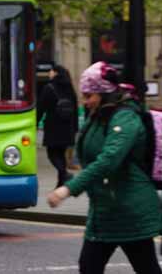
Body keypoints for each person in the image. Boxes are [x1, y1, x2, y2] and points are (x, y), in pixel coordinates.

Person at [47, 61, 162, 273]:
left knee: (146, 267)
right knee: (89, 267)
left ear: (104, 94)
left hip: (130, 210)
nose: (85, 101)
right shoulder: (99, 116)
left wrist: (68, 189)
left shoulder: (126, 117)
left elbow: (109, 160)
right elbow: (91, 160)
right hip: (104, 210)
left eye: (89, 95)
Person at [37, 64, 79, 187]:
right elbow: (75, 109)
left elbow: (41, 108)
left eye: (51, 71)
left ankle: (65, 174)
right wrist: (75, 128)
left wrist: (35, 122)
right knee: (61, 154)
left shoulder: (49, 88)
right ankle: (61, 183)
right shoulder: (70, 88)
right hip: (68, 127)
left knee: (52, 154)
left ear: (55, 73)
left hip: (53, 127)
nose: (49, 73)